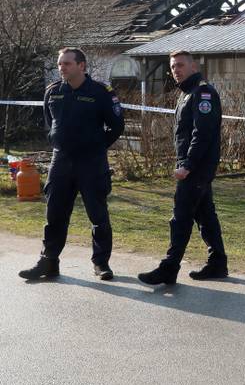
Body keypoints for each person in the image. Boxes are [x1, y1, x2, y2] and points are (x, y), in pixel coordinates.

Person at [19, 48, 125, 281]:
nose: (62, 68)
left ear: (81, 66)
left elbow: (116, 126)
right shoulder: (53, 92)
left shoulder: (101, 92)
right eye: (60, 64)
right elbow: (50, 123)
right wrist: (57, 142)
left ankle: (101, 264)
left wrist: (96, 146)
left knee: (98, 214)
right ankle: (49, 261)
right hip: (62, 160)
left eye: (67, 63)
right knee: (54, 212)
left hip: (91, 162)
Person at [138, 50, 228, 285]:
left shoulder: (202, 92)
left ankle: (169, 267)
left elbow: (203, 133)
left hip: (197, 166)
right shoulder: (187, 93)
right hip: (194, 165)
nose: (175, 70)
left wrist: (187, 164)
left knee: (181, 216)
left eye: (180, 65)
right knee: (205, 215)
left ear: (193, 67)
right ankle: (218, 263)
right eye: (172, 66)